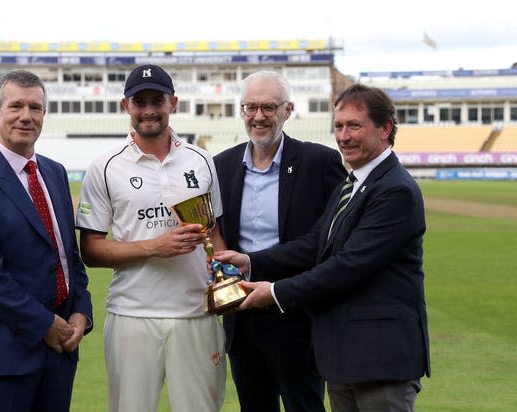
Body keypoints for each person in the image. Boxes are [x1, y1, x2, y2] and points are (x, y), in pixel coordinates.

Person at [214, 83, 430, 412]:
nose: (344, 136)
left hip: (379, 357)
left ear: (385, 129)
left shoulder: (394, 190)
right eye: (339, 126)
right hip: (344, 355)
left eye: (354, 126)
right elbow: (316, 243)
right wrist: (249, 262)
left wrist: (274, 292)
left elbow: (348, 266)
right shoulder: (355, 183)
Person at [76, 64, 226, 412]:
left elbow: (213, 232)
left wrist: (225, 280)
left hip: (196, 312)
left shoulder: (201, 160)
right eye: (139, 101)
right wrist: (155, 247)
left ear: (172, 102)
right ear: (125, 106)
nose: (148, 110)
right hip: (132, 312)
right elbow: (91, 249)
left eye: (156, 100)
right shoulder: (105, 166)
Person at [0, 69, 93, 412]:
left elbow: (67, 257)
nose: (26, 117)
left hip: (60, 352)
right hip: (4, 357)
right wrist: (45, 324)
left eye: (35, 108)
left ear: (44, 114)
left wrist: (80, 313)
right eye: (16, 106)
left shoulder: (54, 172)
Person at [214, 70, 345, 412]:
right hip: (241, 320)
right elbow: (214, 239)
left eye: (269, 107)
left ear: (287, 111)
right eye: (251, 107)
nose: (259, 116)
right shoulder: (222, 166)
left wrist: (257, 265)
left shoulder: (320, 162)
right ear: (241, 111)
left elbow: (330, 240)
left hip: (295, 315)